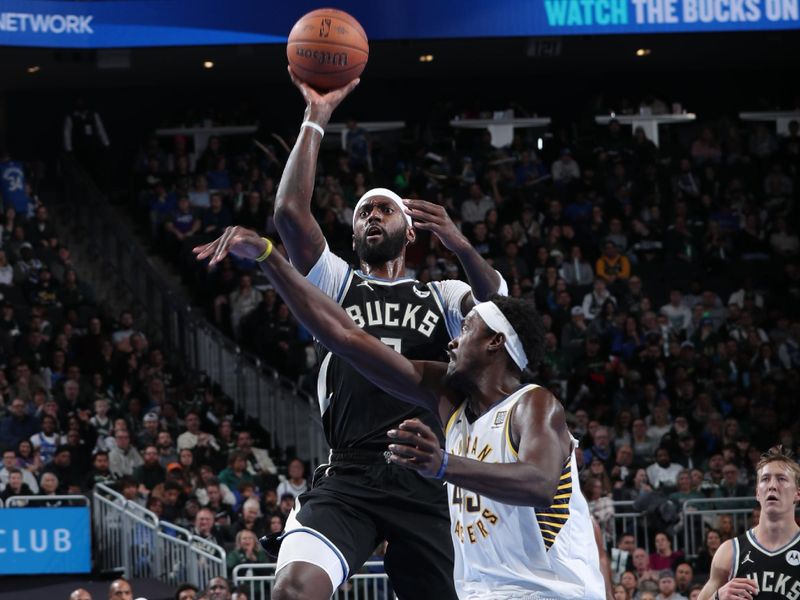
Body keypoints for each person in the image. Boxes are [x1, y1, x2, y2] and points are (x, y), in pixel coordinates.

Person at [194, 69, 506, 600]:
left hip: (429, 475)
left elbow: (498, 309)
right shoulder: (337, 283)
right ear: (356, 234)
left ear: (410, 232)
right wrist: (316, 117)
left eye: (385, 209)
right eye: (364, 213)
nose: (373, 217)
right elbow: (290, 214)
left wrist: (460, 243)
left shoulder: (444, 295)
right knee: (294, 589)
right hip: (352, 471)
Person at [196, 232, 604, 598]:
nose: (452, 341)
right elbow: (348, 337)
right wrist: (270, 258)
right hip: (488, 590)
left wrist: (443, 463)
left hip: (553, 591)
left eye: (465, 330)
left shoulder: (534, 403)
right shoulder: (449, 400)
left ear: (496, 342)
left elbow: (539, 484)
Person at [698, 445, 800, 599]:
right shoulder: (730, 552)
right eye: (765, 479)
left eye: (781, 479)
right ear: (758, 492)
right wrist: (717, 597)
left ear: (797, 493)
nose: (772, 486)